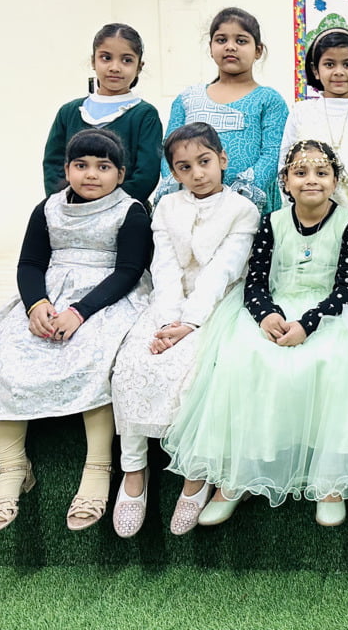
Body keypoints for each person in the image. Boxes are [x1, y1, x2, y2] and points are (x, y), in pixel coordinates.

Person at [162, 140, 348, 528]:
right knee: (245, 358)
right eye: (300, 173)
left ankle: (330, 481)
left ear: (335, 181)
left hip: (329, 313)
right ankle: (236, 477)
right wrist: (266, 315)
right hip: (277, 306)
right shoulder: (271, 221)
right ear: (286, 182)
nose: (312, 180)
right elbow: (255, 281)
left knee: (337, 362)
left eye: (322, 173)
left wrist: (308, 324)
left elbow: (347, 288)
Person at [0, 128, 152, 533]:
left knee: (98, 354)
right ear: (66, 170)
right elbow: (30, 263)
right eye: (81, 165)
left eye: (103, 167)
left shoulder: (130, 211)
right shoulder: (47, 209)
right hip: (50, 296)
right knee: (3, 350)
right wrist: (36, 305)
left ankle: (97, 467)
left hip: (106, 298)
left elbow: (129, 271)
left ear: (120, 174)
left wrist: (80, 313)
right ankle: (13, 468)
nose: (91, 174)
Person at [110, 123, 260, 537]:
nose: (197, 173)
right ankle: (133, 470)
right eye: (184, 167)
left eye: (204, 161)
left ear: (222, 160)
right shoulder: (166, 207)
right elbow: (164, 267)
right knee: (132, 364)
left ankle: (196, 473)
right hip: (167, 304)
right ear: (173, 172)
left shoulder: (243, 210)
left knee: (196, 372)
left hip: (218, 303)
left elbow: (222, 270)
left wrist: (189, 324)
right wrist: (166, 321)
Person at [283, 18, 348, 294]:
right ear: (315, 70)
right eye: (329, 64)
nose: (339, 72)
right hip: (306, 223)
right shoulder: (300, 113)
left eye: (347, 64)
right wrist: (296, 217)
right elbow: (284, 169)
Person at [156, 7, 288, 213]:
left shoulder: (269, 100)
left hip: (248, 207)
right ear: (210, 48)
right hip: (191, 204)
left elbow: (272, 155)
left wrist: (239, 197)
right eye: (221, 40)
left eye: (241, 41)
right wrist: (184, 185)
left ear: (258, 50)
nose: (230, 47)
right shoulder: (187, 99)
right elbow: (168, 151)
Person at [42, 23, 162, 204]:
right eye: (106, 58)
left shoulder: (145, 115)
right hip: (72, 212)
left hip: (125, 212)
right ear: (93, 61)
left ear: (139, 66)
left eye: (126, 60)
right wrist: (68, 205)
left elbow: (146, 173)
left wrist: (110, 208)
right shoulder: (69, 112)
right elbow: (53, 165)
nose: (115, 67)